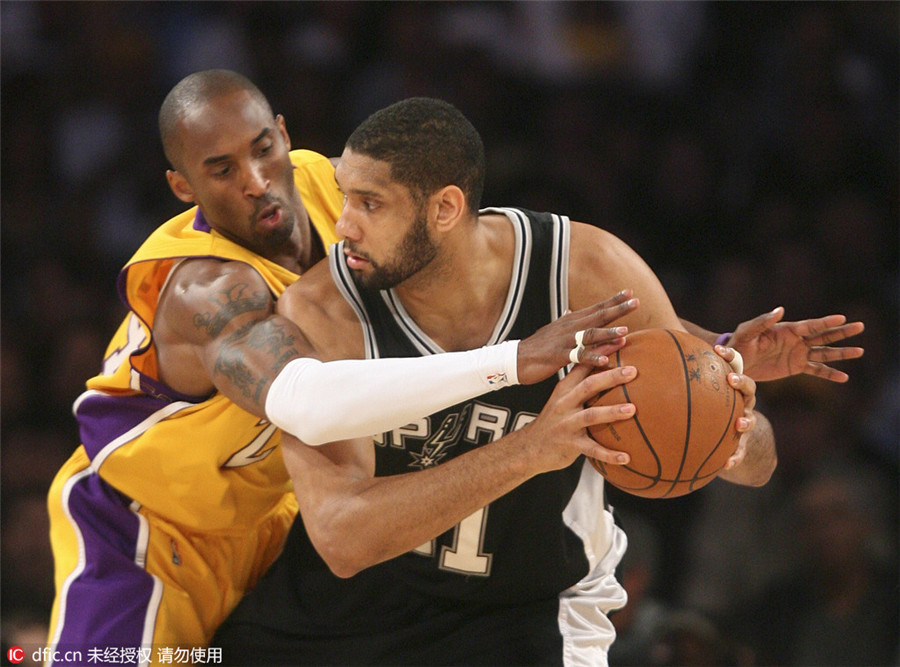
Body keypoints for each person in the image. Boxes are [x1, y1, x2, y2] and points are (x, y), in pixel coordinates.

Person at [213, 97, 861, 666]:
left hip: (530, 611)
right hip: (353, 613)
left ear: (445, 208)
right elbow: (342, 537)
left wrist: (724, 414)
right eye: (344, 196)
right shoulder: (323, 312)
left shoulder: (585, 272)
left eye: (369, 203)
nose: (342, 224)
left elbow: (756, 462)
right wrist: (531, 449)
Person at [44, 71, 643, 666]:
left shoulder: (335, 187)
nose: (256, 181)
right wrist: (513, 358)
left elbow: (444, 218)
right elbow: (309, 403)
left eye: (263, 149)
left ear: (283, 135)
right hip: (148, 533)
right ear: (183, 186)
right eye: (222, 170)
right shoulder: (206, 290)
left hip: (268, 522)